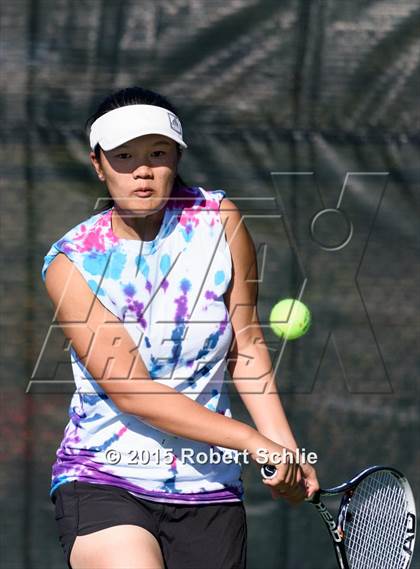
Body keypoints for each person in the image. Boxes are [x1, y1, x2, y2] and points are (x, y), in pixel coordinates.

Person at [42, 86, 319, 569]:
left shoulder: (220, 220)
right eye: (124, 156)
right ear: (98, 163)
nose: (143, 170)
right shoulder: (73, 261)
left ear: (177, 156)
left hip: (210, 485)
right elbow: (132, 392)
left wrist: (287, 451)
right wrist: (254, 442)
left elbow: (246, 344)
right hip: (102, 479)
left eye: (157, 153)